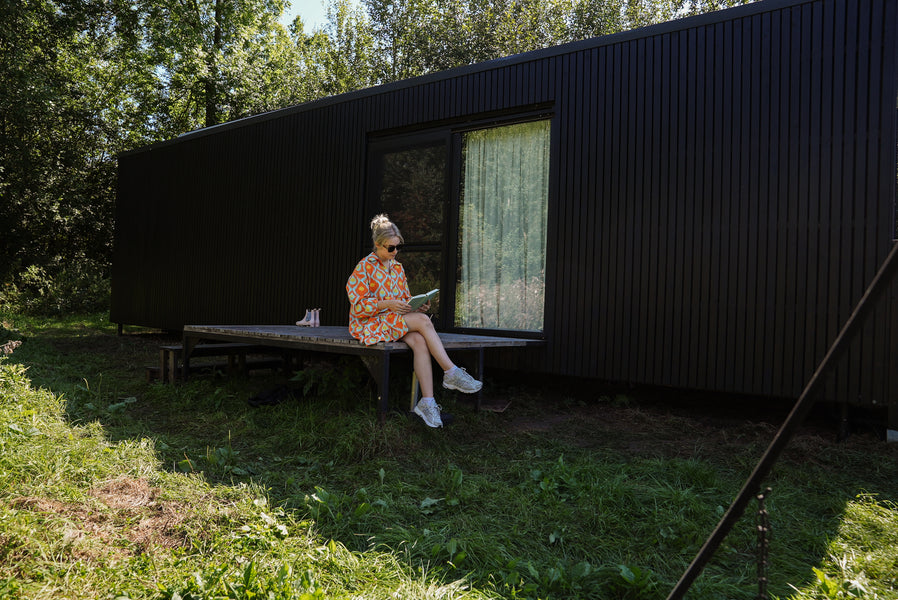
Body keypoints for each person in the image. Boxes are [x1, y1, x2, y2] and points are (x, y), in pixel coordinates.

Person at [346, 214, 483, 427]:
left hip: (394, 320)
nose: (395, 252)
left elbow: (404, 301)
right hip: (368, 323)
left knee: (419, 340)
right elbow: (359, 305)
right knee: (423, 322)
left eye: (398, 247)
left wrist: (418, 305)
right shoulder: (364, 267)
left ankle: (427, 402)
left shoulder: (398, 268)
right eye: (390, 248)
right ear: (377, 244)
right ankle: (450, 372)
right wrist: (388, 304)